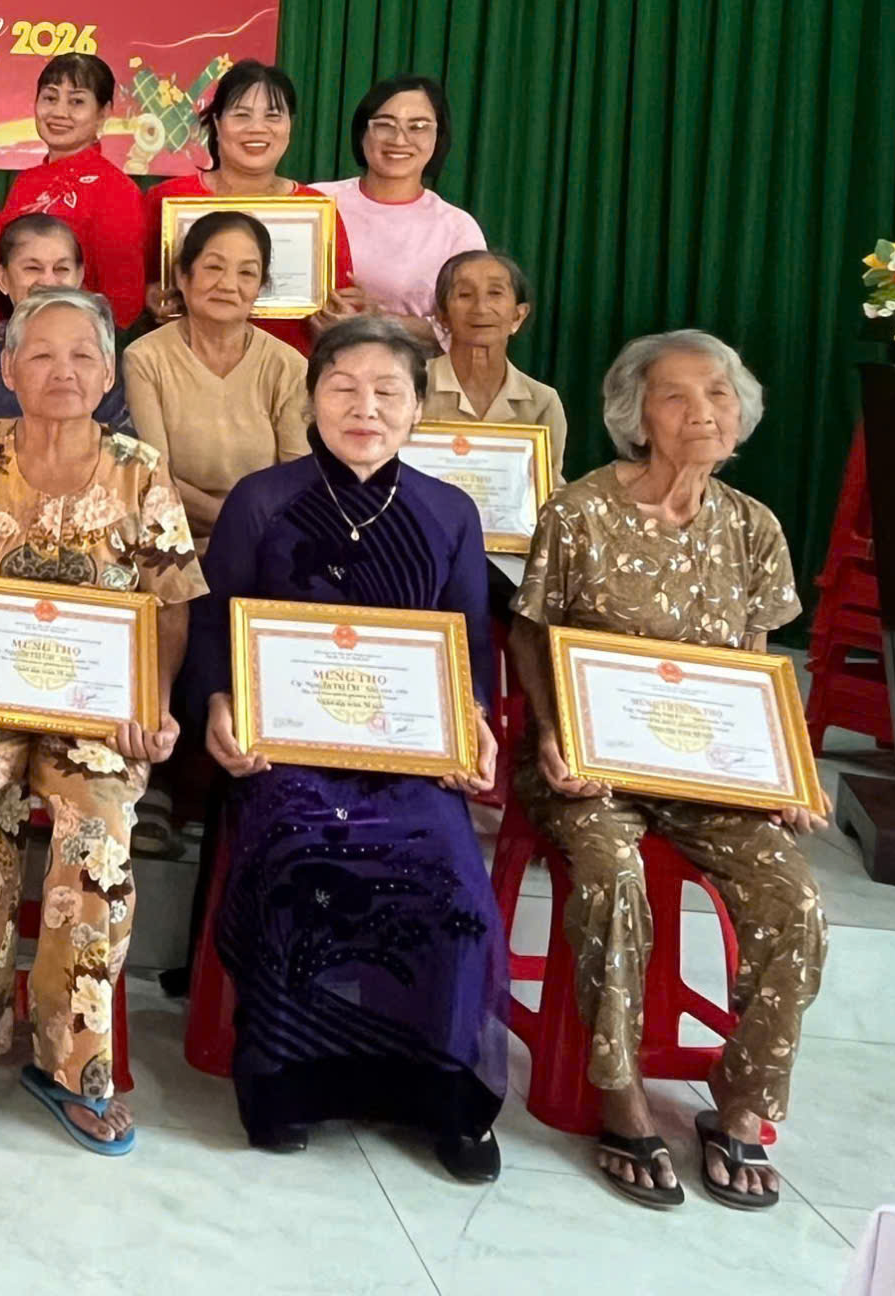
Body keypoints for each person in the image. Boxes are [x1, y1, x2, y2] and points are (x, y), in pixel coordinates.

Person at [508, 330, 822, 1213]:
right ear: (636, 417)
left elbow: (758, 664)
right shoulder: (579, 512)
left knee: (796, 901)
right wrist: (549, 733)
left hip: (709, 775)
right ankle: (621, 1096)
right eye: (676, 396)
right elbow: (530, 632)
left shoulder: (753, 527)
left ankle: (744, 1104)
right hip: (592, 768)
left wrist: (784, 770)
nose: (703, 412)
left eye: (719, 395)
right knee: (614, 877)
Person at [189, 317, 507, 1178]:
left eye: (387, 391)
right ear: (312, 400)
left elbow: (470, 644)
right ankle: (290, 1082)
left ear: (418, 408)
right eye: (344, 388)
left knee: (453, 882)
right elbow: (214, 625)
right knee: (300, 854)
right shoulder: (262, 499)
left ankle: (443, 1095)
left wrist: (474, 719)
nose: (365, 408)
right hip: (285, 752)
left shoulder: (448, 511)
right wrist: (218, 703)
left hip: (407, 756)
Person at [0, 289, 203, 1156]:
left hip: (97, 718)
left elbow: (171, 604)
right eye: (41, 354)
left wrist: (152, 706)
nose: (62, 371)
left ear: (107, 375)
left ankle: (73, 1064)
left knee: (96, 829)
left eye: (81, 356)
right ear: (9, 369)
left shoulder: (141, 469)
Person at [141, 59, 361, 354]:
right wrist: (149, 297)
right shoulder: (166, 199)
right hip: (185, 367)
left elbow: (340, 303)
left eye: (273, 116)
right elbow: (135, 288)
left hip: (291, 372)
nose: (257, 128)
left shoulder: (317, 209)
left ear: (290, 125)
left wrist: (342, 319)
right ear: (217, 124)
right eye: (242, 115)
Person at [122, 211, 309, 550]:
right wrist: (240, 522)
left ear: (260, 287)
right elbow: (156, 477)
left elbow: (296, 480)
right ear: (183, 276)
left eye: (246, 273)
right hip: (173, 542)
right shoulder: (145, 358)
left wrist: (255, 531)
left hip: (266, 542)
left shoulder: (288, 365)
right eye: (213, 267)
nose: (227, 284)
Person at [320, 74, 487, 329]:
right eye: (385, 125)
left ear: (438, 137)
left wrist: (378, 321)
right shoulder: (317, 201)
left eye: (418, 127)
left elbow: (467, 326)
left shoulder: (457, 228)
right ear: (362, 133)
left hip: (410, 357)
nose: (399, 140)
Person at [0, 215, 132, 431]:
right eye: (32, 268)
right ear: (2, 279)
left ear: (79, 276)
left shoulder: (104, 348)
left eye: (61, 269)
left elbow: (120, 439)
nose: (47, 281)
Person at [0, 53, 147, 309]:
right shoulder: (26, 181)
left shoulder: (116, 190)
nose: (59, 112)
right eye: (50, 98)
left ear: (103, 113)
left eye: (76, 101)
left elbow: (124, 301)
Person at [426, 249, 569, 480]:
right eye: (465, 294)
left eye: (495, 293)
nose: (481, 308)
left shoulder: (542, 402)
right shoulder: (410, 387)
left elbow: (547, 489)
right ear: (442, 316)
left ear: (518, 316)